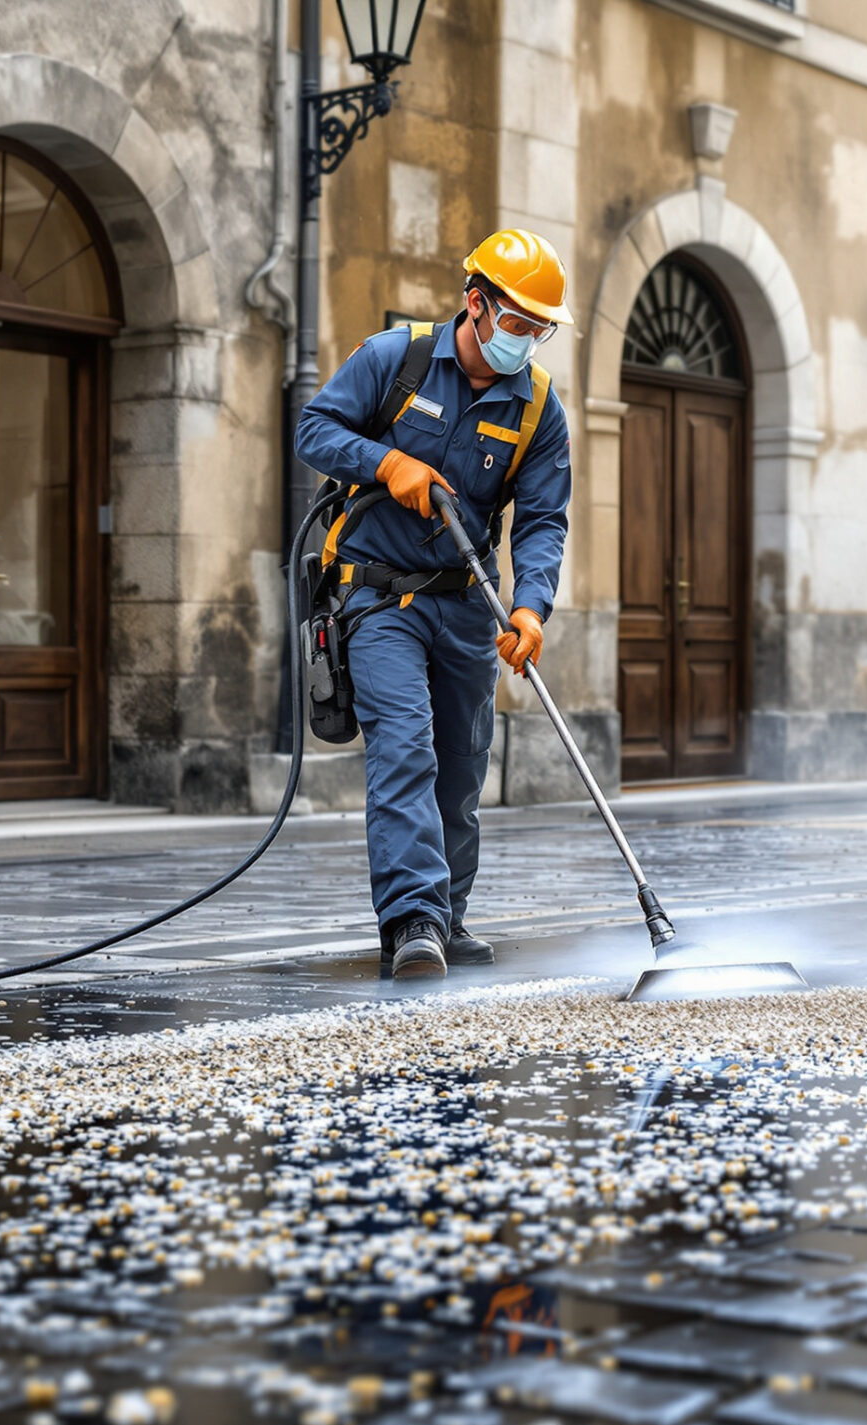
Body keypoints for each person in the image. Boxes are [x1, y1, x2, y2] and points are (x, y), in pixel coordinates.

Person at [295, 229, 573, 979]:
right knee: (405, 748)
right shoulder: (397, 358)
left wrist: (531, 609)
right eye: (519, 324)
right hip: (377, 596)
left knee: (461, 764)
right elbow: (313, 428)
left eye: (540, 329)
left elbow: (544, 519)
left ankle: (448, 914)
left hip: (464, 606)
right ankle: (413, 917)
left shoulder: (540, 408)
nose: (529, 340)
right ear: (476, 305)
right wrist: (386, 462)